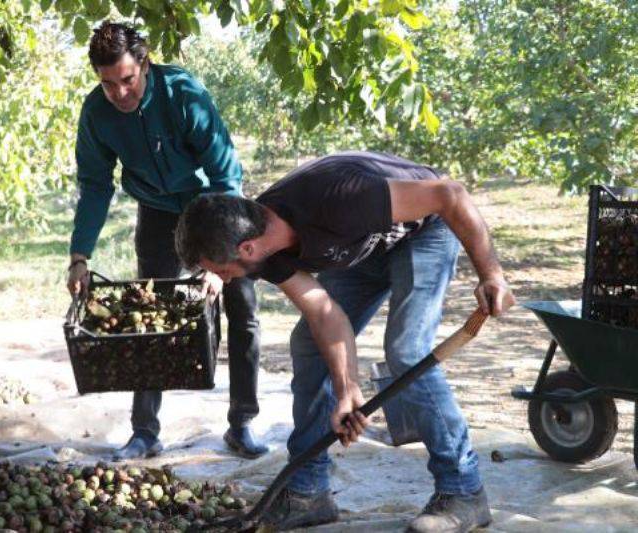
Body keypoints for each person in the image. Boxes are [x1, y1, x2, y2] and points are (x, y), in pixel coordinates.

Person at [175, 151, 516, 532]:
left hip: (424, 231)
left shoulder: (340, 196)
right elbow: (323, 313)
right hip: (364, 246)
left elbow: (450, 194)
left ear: (246, 249)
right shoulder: (265, 249)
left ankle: (463, 490)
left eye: (223, 271)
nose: (229, 279)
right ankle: (307, 493)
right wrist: (346, 390)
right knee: (308, 343)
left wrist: (492, 274)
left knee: (407, 350)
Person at [66, 21, 267, 461]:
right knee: (148, 313)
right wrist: (80, 256)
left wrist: (219, 261)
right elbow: (96, 184)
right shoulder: (96, 114)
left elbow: (225, 174)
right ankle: (145, 432)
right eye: (108, 84)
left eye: (128, 80)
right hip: (157, 212)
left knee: (242, 311)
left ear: (145, 63)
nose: (119, 93)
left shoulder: (183, 95)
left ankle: (242, 423)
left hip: (212, 207)